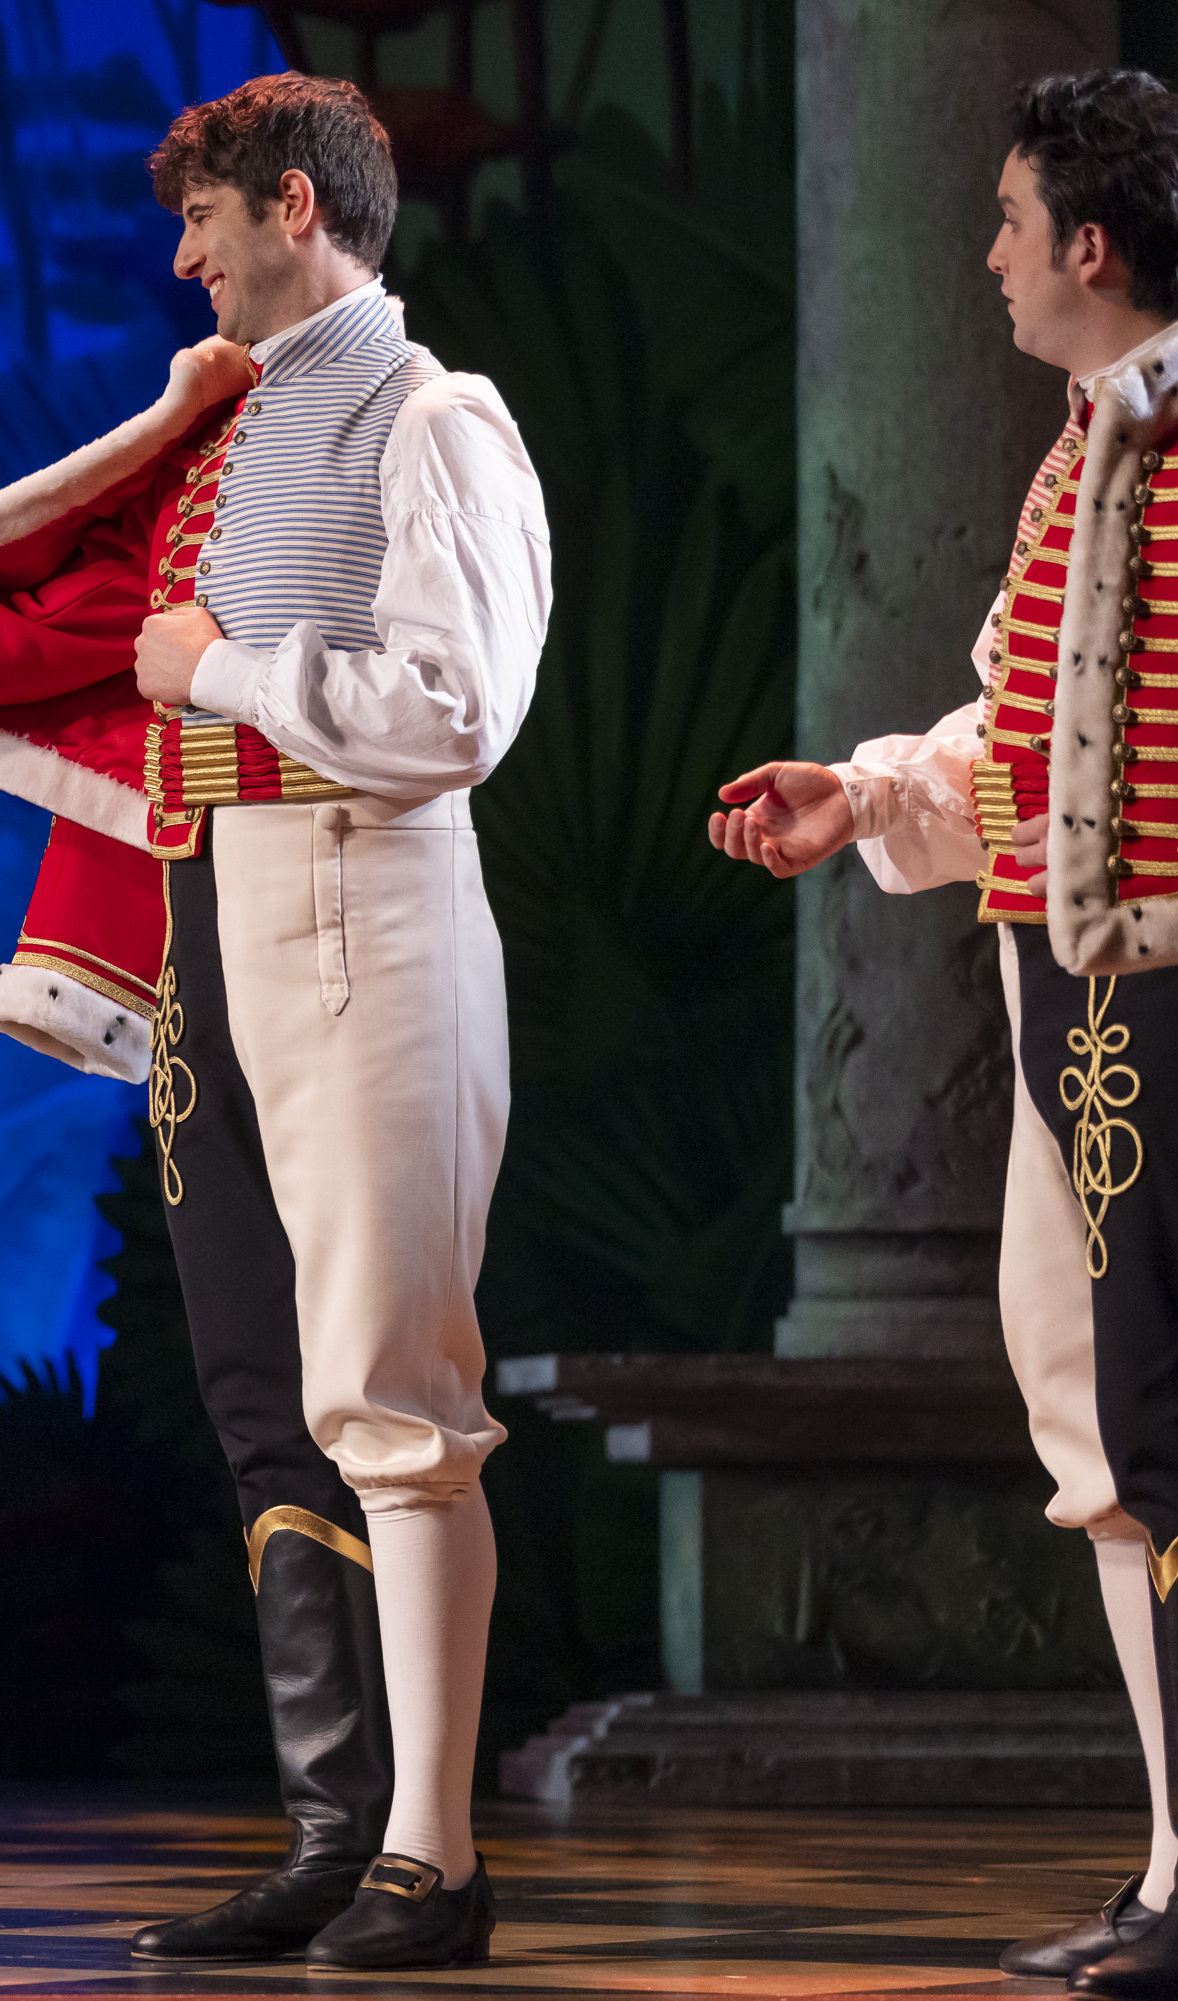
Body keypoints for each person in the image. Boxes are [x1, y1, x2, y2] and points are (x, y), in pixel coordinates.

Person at [0, 74, 548, 1972]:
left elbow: (459, 706)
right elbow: (46, 629)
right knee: (262, 1400)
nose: (182, 256)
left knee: (393, 1400)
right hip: (209, 918)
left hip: (367, 915)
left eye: (204, 220)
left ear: (295, 208)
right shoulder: (221, 432)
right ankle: (334, 1828)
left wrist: (218, 666)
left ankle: (437, 1854)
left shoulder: (435, 420)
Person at [707, 71, 1178, 2000]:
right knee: (1096, 1410)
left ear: (1087, 241)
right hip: (1065, 990)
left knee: (1145, 1414)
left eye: (1003, 220)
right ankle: (1172, 1865)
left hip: (1149, 989)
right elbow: (1028, 726)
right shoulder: (1088, 455)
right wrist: (871, 794)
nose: (980, 255)